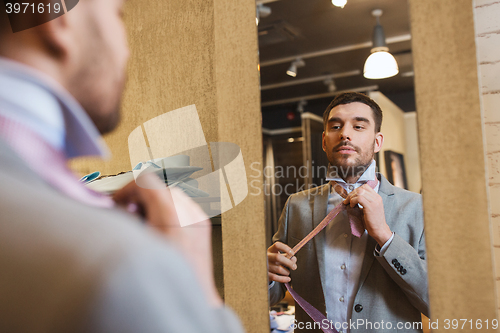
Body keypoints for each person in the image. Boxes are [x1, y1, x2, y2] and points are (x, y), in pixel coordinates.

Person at [0, 0, 244, 332]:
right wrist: (201, 297)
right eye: (119, 15)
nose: (126, 50)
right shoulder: (117, 270)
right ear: (55, 17)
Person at [267, 92, 428, 333]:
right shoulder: (296, 206)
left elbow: (435, 300)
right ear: (324, 141)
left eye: (359, 126)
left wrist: (385, 236)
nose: (345, 133)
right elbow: (272, 294)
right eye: (336, 126)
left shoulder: (417, 207)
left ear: (377, 141)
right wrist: (267, 275)